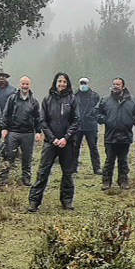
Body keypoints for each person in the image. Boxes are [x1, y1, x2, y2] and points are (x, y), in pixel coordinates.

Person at [28, 72, 79, 212]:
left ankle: (67, 201)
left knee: (67, 173)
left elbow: (76, 120)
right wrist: (53, 139)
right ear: (55, 83)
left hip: (67, 143)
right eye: (59, 81)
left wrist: (65, 138)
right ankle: (34, 202)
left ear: (67, 83)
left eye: (64, 81)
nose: (62, 84)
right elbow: (43, 121)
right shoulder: (47, 99)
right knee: (43, 172)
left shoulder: (72, 99)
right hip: (50, 143)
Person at [97, 77, 135, 191]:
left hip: (125, 136)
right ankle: (106, 182)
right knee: (109, 160)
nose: (115, 86)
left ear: (123, 86)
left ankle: (123, 180)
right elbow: (97, 112)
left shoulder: (132, 100)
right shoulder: (105, 100)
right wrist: (104, 119)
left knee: (123, 160)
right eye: (114, 84)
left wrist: (133, 121)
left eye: (118, 84)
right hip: (110, 136)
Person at [0, 76, 42, 186]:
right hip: (13, 132)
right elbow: (6, 114)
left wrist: (38, 131)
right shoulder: (12, 99)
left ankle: (26, 178)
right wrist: (4, 128)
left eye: (27, 84)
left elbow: (37, 117)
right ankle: (3, 178)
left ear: (29, 85)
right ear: (20, 85)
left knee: (27, 157)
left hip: (28, 133)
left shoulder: (34, 101)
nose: (25, 86)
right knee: (8, 155)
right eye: (23, 84)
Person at [73, 77, 102, 175]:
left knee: (93, 147)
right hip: (78, 126)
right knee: (75, 147)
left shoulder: (95, 95)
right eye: (81, 83)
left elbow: (98, 108)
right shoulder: (74, 96)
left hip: (91, 126)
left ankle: (97, 168)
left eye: (84, 83)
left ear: (88, 84)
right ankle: (73, 168)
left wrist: (92, 114)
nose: (83, 85)